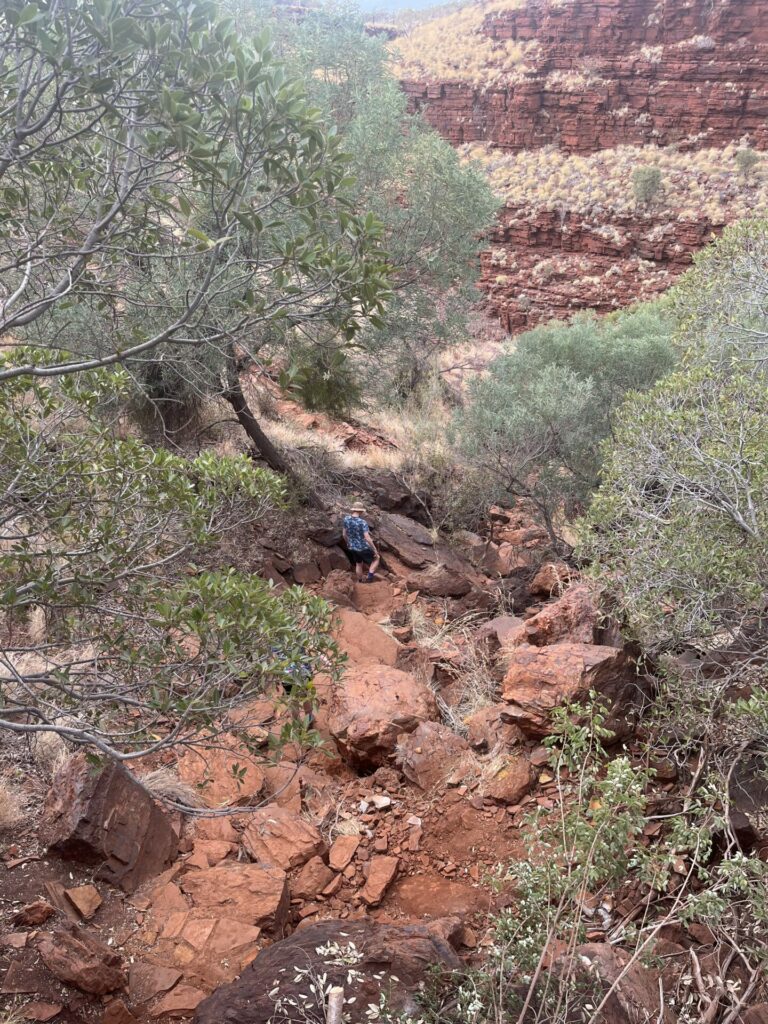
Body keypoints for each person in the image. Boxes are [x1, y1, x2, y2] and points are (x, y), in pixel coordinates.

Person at [342, 502, 380, 583]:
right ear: (361, 511)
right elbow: (367, 538)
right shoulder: (362, 522)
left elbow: (344, 534)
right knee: (376, 558)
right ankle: (369, 577)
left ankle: (360, 580)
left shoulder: (346, 519)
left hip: (352, 547)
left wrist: (348, 543)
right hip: (363, 547)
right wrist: (375, 549)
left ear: (353, 510)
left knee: (358, 563)